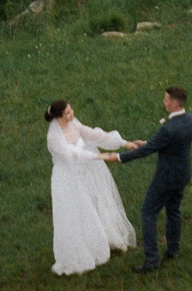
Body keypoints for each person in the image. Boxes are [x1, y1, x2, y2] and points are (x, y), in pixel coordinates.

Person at [103, 86, 192, 272]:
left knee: (148, 213)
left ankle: (152, 259)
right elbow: (168, 144)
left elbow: (148, 151)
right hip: (182, 173)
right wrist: (148, 142)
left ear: (174, 103)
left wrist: (119, 157)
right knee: (174, 210)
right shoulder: (191, 120)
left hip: (166, 178)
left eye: (166, 99)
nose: (164, 102)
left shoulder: (168, 129)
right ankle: (173, 249)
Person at [43, 99, 136, 276]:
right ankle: (83, 249)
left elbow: (96, 135)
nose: (72, 114)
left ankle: (104, 238)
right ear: (59, 116)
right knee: (79, 211)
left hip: (86, 173)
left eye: (71, 110)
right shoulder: (53, 137)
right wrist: (100, 157)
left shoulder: (74, 126)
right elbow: (73, 154)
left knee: (96, 203)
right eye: (68, 113)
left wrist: (124, 143)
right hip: (68, 178)